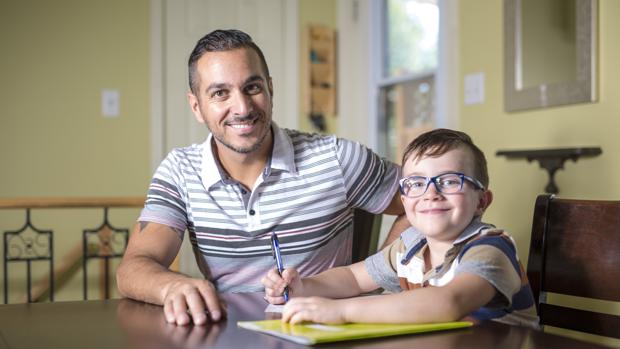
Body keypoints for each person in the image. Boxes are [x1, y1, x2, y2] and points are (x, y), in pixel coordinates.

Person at [116, 29, 408, 326]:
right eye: (220, 93)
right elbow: (134, 268)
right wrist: (172, 286)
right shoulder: (180, 170)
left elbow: (425, 201)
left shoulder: (337, 158)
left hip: (325, 333)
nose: (242, 108)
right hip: (225, 333)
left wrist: (378, 273)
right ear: (196, 107)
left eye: (252, 87)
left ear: (270, 89)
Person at [262, 129, 539, 329]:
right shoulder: (410, 246)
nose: (431, 194)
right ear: (404, 202)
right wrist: (303, 287)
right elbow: (353, 278)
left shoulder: (490, 249)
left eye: (450, 181)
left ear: (482, 201)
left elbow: (448, 302)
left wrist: (341, 310)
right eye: (417, 184)